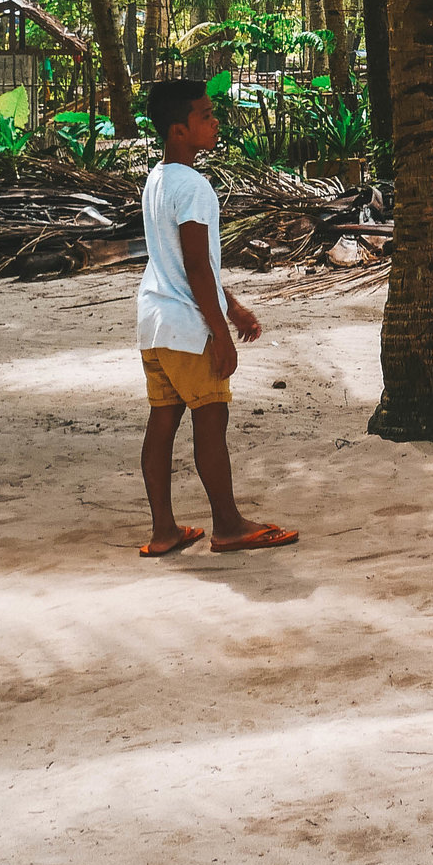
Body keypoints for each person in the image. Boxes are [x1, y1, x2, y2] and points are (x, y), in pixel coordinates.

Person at [136, 78, 297, 556]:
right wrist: (221, 331)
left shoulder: (158, 179)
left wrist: (234, 306)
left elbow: (185, 260)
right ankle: (228, 524)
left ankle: (163, 530)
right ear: (179, 129)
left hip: (154, 321)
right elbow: (195, 263)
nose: (215, 121)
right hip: (187, 325)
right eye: (205, 115)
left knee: (162, 423)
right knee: (211, 419)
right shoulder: (194, 185)